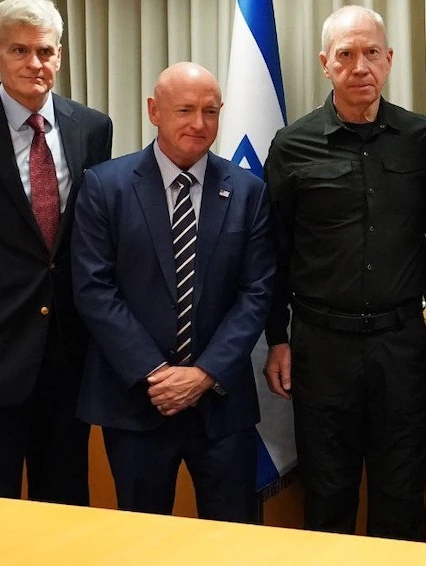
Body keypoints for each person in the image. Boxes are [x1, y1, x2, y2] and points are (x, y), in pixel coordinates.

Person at [262, 5, 426, 539]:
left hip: (400, 342)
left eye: (371, 53)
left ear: (389, 59)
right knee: (327, 497)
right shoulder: (292, 145)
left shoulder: (421, 138)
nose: (359, 66)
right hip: (321, 347)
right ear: (325, 63)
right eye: (345, 54)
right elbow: (272, 251)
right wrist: (277, 337)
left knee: (402, 497)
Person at [71, 62, 275, 522]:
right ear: (153, 111)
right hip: (137, 401)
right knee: (143, 540)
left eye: (210, 111)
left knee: (235, 540)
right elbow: (94, 289)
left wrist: (203, 374)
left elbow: (257, 292)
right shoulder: (105, 186)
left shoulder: (248, 192)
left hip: (221, 405)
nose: (199, 123)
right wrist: (156, 374)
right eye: (184, 110)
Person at [0, 0, 112, 503]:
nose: (35, 63)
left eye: (45, 51)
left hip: (66, 353)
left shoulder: (92, 128)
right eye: (20, 50)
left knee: (65, 504)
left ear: (60, 55)